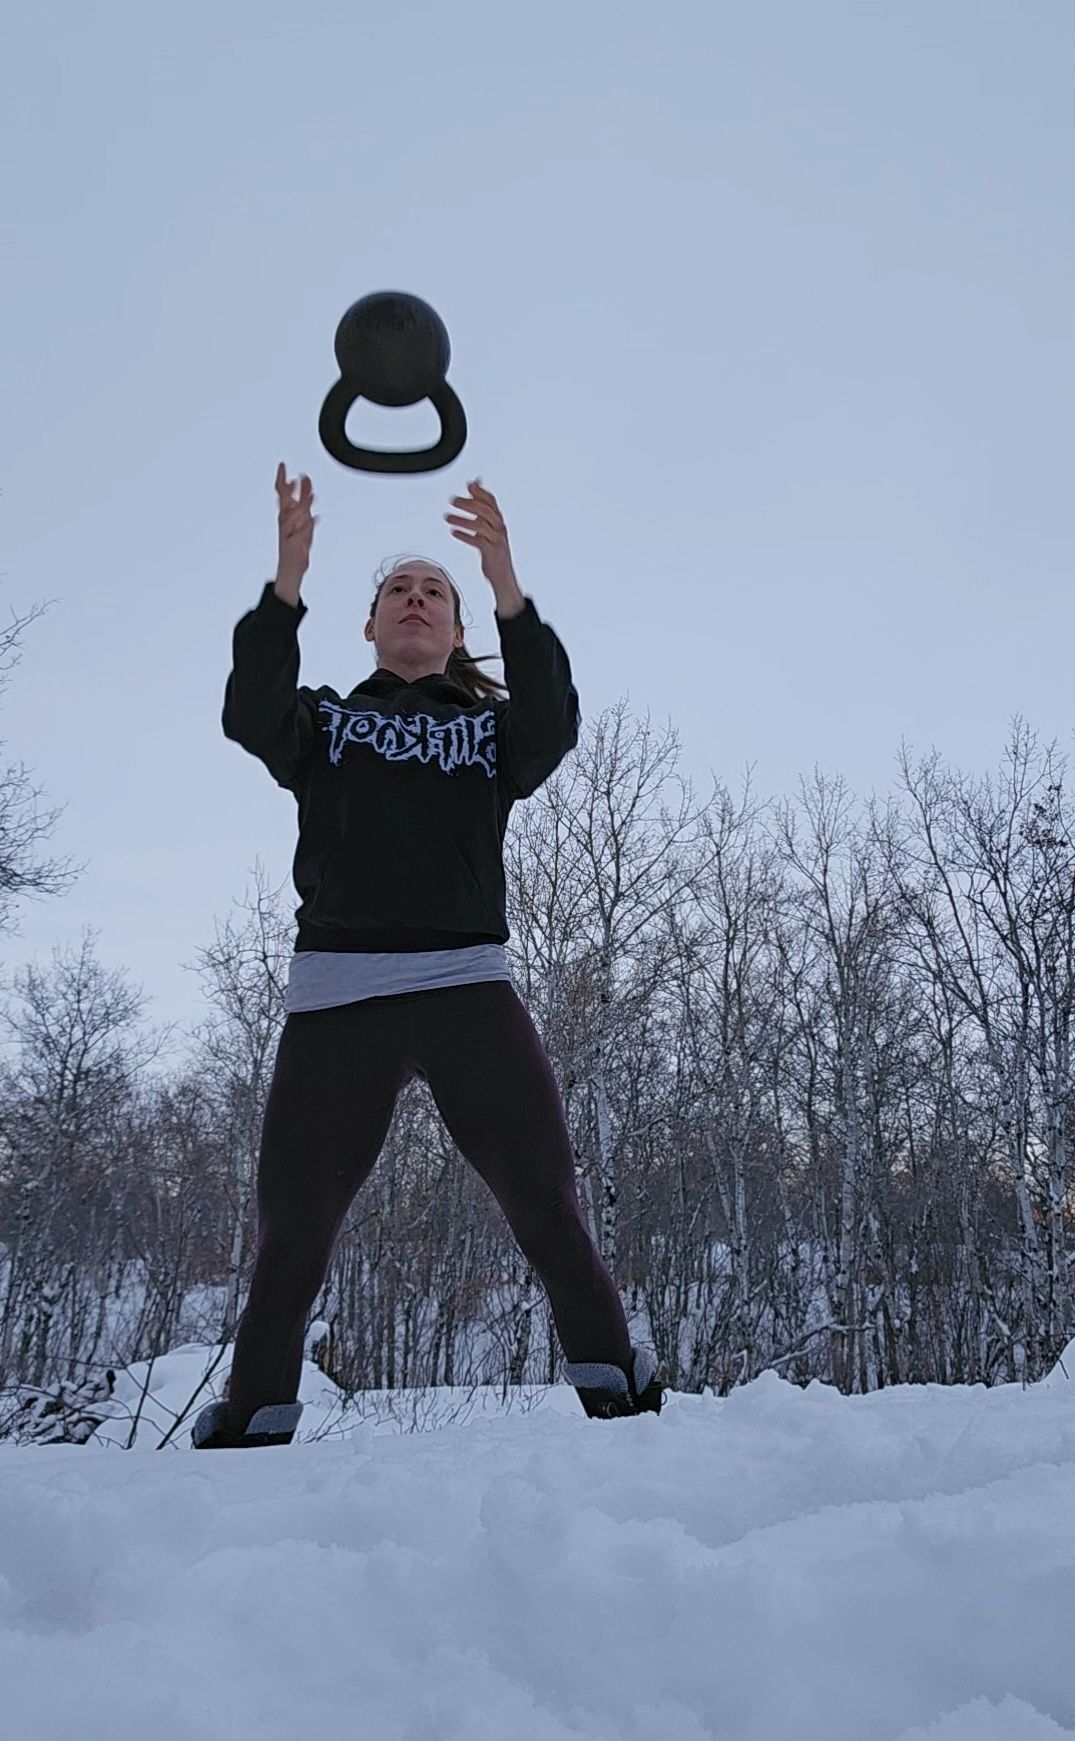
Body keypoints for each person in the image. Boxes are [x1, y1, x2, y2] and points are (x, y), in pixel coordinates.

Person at [192, 465, 664, 1449]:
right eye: (399, 591)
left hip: (464, 989)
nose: (416, 599)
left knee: (545, 1201)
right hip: (337, 998)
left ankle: (617, 1390)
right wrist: (286, 582)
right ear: (368, 626)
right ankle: (253, 1417)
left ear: (455, 631)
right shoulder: (321, 721)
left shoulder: (490, 734)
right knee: (294, 1236)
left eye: (434, 592)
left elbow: (555, 723)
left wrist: (507, 583)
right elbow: (247, 715)